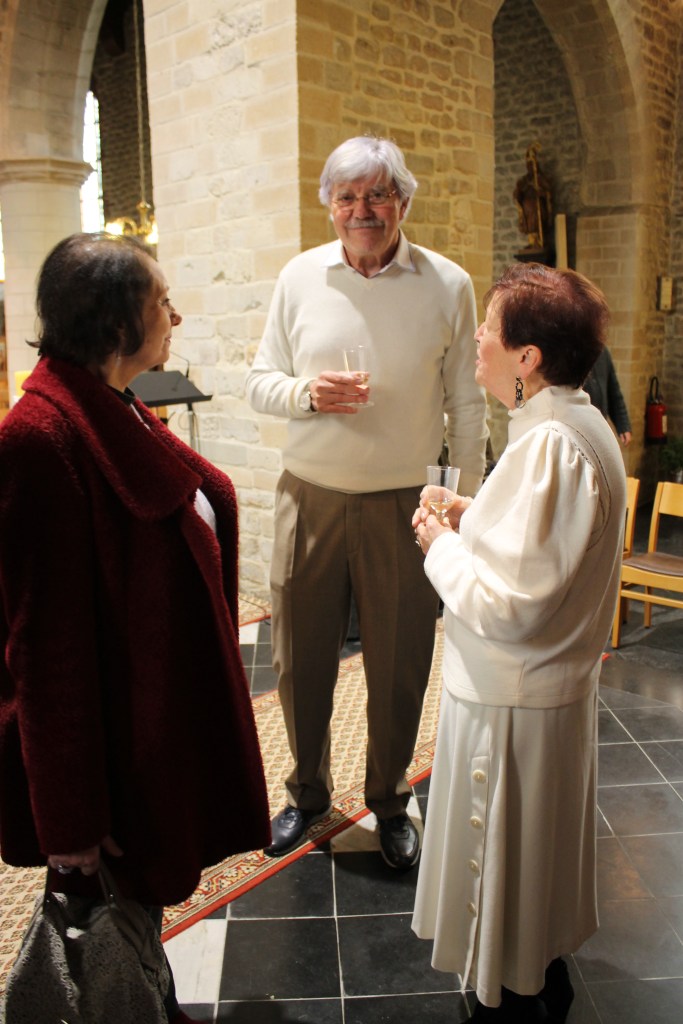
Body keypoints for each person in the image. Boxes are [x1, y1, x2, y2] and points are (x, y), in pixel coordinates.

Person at [0, 233, 271, 1024]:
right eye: (162, 303)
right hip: (105, 748)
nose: (175, 317)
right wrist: (71, 824)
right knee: (105, 920)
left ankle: (152, 1000)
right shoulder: (39, 438)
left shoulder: (110, 401)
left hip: (147, 725)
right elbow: (44, 650)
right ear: (117, 319)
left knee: (139, 907)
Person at [246, 136, 488, 870]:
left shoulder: (447, 284)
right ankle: (307, 792)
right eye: (347, 197)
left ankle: (388, 799)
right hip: (309, 497)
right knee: (300, 659)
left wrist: (461, 503)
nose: (362, 210)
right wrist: (306, 393)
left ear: (402, 202)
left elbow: (467, 404)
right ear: (329, 206)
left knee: (399, 661)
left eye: (377, 194)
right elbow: (259, 381)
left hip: (404, 505)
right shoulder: (299, 277)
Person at [411, 263, 626, 1022]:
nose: (477, 336)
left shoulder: (550, 447)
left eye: (490, 325)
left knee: (501, 877)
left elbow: (509, 606)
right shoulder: (573, 423)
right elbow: (538, 548)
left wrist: (438, 543)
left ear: (526, 357)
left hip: (512, 706)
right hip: (539, 695)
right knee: (532, 877)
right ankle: (538, 973)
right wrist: (474, 514)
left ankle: (508, 1000)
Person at [583, 346, 632, 445]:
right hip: (580, 426)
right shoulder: (569, 351)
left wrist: (623, 425)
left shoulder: (602, 352)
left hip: (600, 425)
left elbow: (613, 390)